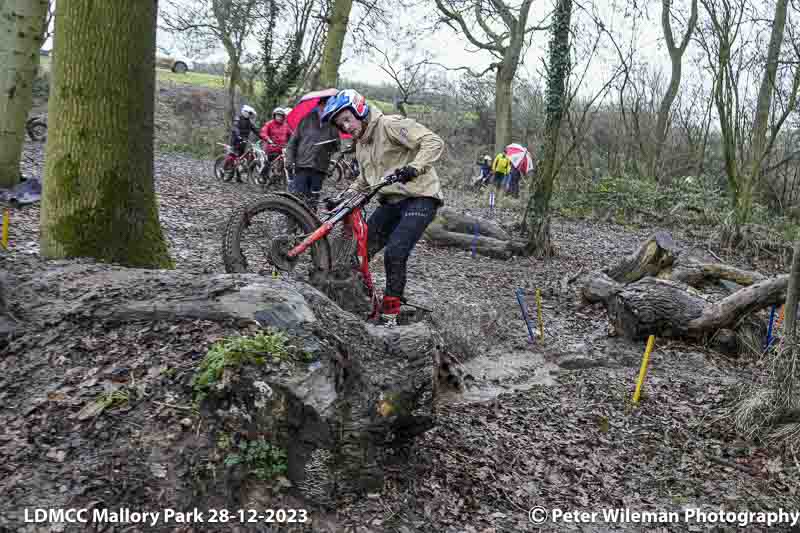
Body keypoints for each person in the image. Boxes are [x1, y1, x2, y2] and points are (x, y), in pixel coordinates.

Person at [320, 89, 444, 327]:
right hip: (391, 201)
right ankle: (357, 301)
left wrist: (415, 167)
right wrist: (342, 198)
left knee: (395, 252)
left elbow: (433, 142)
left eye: (347, 119)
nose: (346, 127)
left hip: (421, 197)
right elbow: (365, 180)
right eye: (340, 125)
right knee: (359, 252)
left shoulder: (389, 125)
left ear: (359, 111)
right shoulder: (361, 144)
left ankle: (390, 312)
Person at [285, 98, 340, 210]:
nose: (325, 108)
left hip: (320, 168)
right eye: (323, 105)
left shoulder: (333, 124)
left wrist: (330, 148)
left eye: (328, 106)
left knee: (313, 200)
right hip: (302, 165)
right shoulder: (305, 120)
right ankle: (294, 220)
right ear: (319, 105)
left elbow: (337, 147)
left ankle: (310, 220)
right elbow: (292, 142)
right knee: (298, 198)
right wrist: (289, 160)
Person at [223, 105, 261, 182]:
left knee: (241, 159)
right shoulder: (238, 119)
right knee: (233, 156)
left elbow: (255, 130)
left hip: (243, 142)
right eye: (249, 113)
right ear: (245, 112)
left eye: (251, 114)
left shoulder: (249, 122)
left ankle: (238, 177)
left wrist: (262, 136)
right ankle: (224, 169)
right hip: (235, 141)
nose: (250, 115)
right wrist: (239, 136)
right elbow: (235, 128)